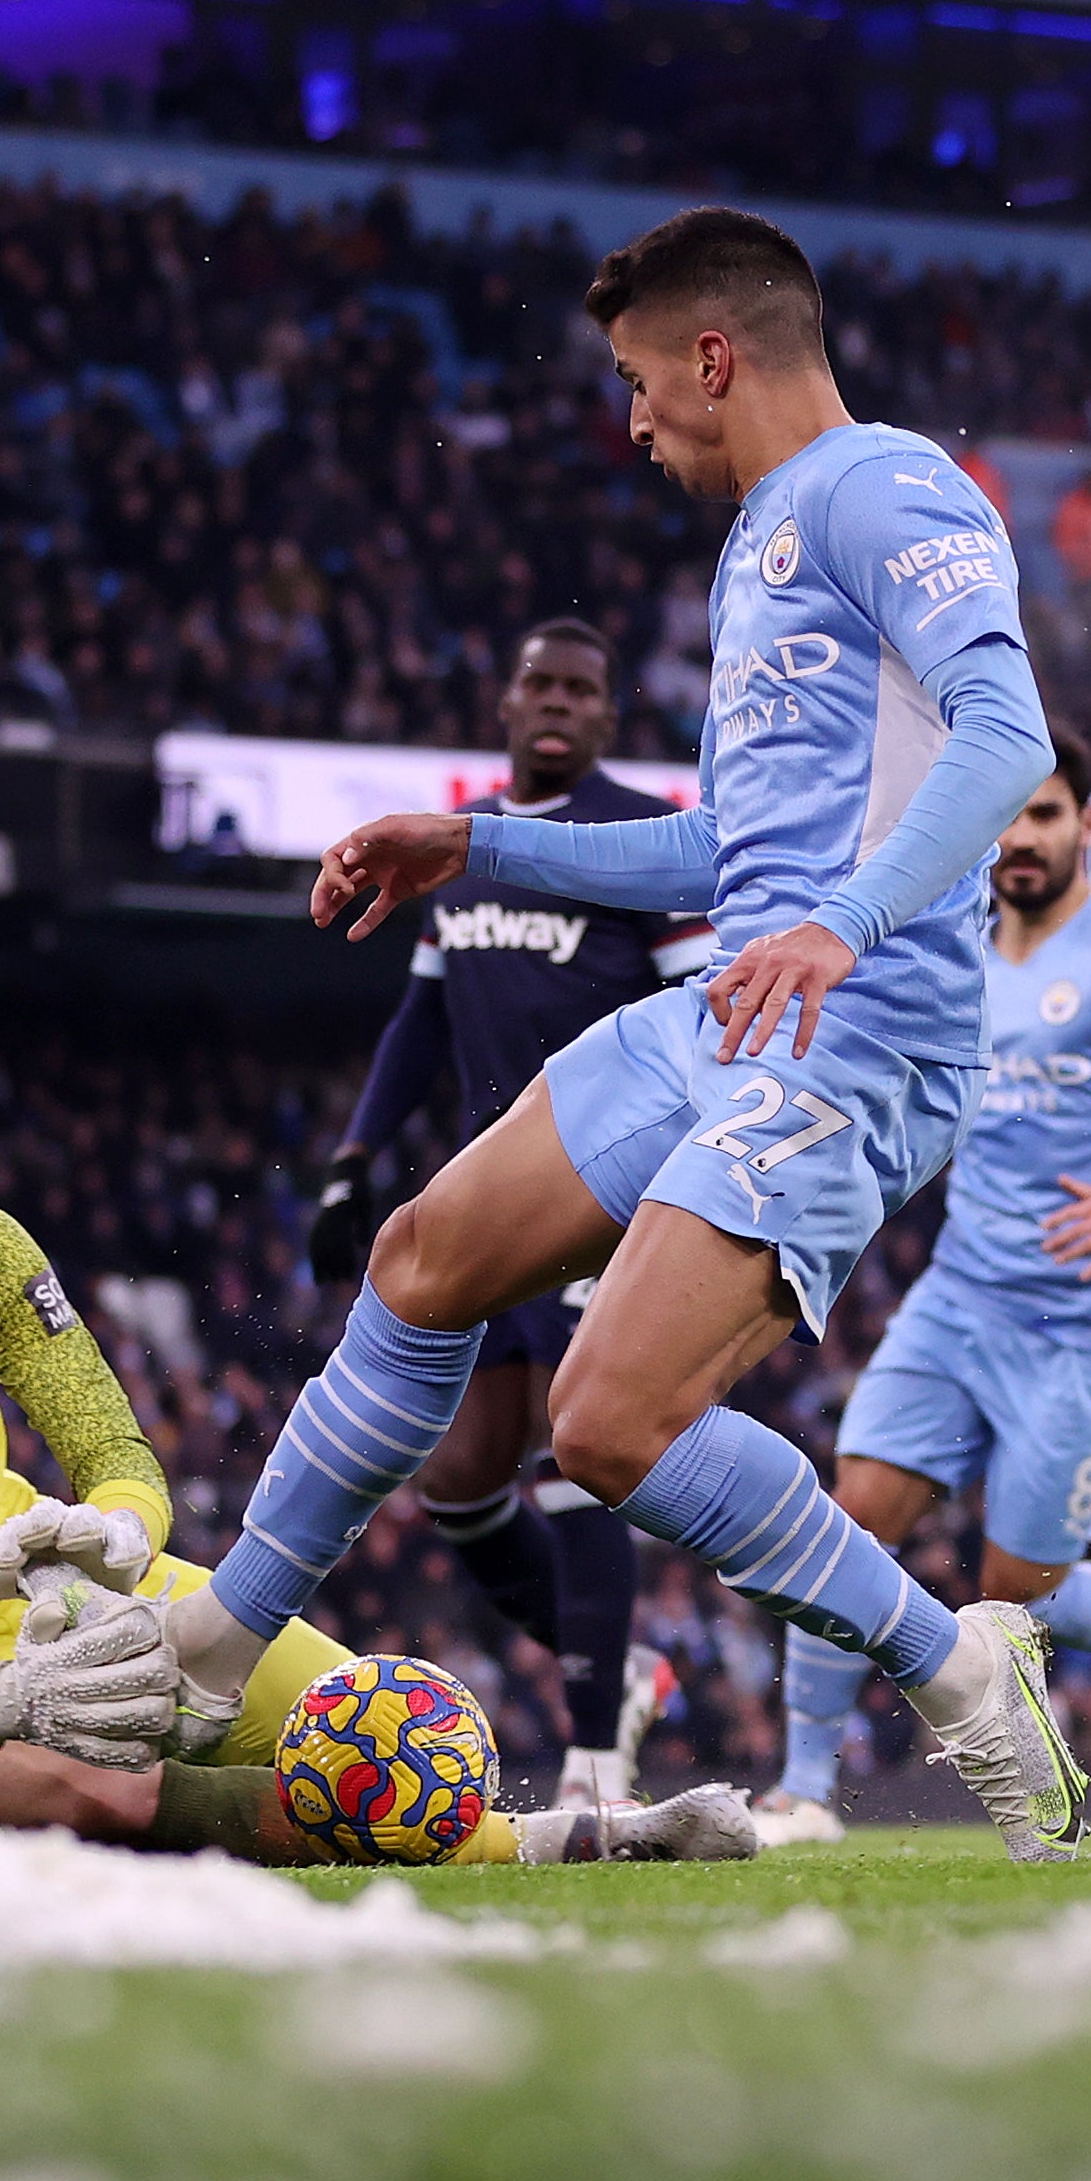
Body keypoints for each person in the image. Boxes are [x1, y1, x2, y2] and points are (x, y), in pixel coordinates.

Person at [164, 203, 1091, 1862]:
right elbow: (718, 853)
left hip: (860, 1037)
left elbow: (1006, 727)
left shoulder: (888, 488)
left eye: (636, 380)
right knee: (420, 1257)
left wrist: (849, 921)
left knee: (597, 1429)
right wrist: (473, 840)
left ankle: (956, 1669)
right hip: (728, 1008)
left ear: (713, 354)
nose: (632, 421)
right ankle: (208, 1649)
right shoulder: (758, 545)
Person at [0, 1032, 752, 1864]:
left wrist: (119, 1532)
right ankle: (571, 1840)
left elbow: (111, 1444)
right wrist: (15, 1699)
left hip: (39, 1592)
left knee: (356, 1721)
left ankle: (545, 1833)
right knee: (96, 1793)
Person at [756, 731, 1091, 1841]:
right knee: (846, 1520)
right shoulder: (952, 948)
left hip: (1089, 1324)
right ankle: (803, 1788)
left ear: (1085, 823)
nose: (1016, 838)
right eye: (1001, 815)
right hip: (957, 1299)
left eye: (1042, 814)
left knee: (1015, 1593)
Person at [312, 617, 715, 1810]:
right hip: (493, 1191)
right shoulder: (460, 848)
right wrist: (352, 1158)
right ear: (504, 698)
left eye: (582, 687)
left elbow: (697, 1012)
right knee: (459, 1481)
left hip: (606, 1188)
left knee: (571, 1456)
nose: (556, 701)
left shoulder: (636, 838)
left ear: (606, 712)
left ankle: (593, 1753)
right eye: (538, 679)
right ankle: (622, 1672)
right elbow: (420, 1020)